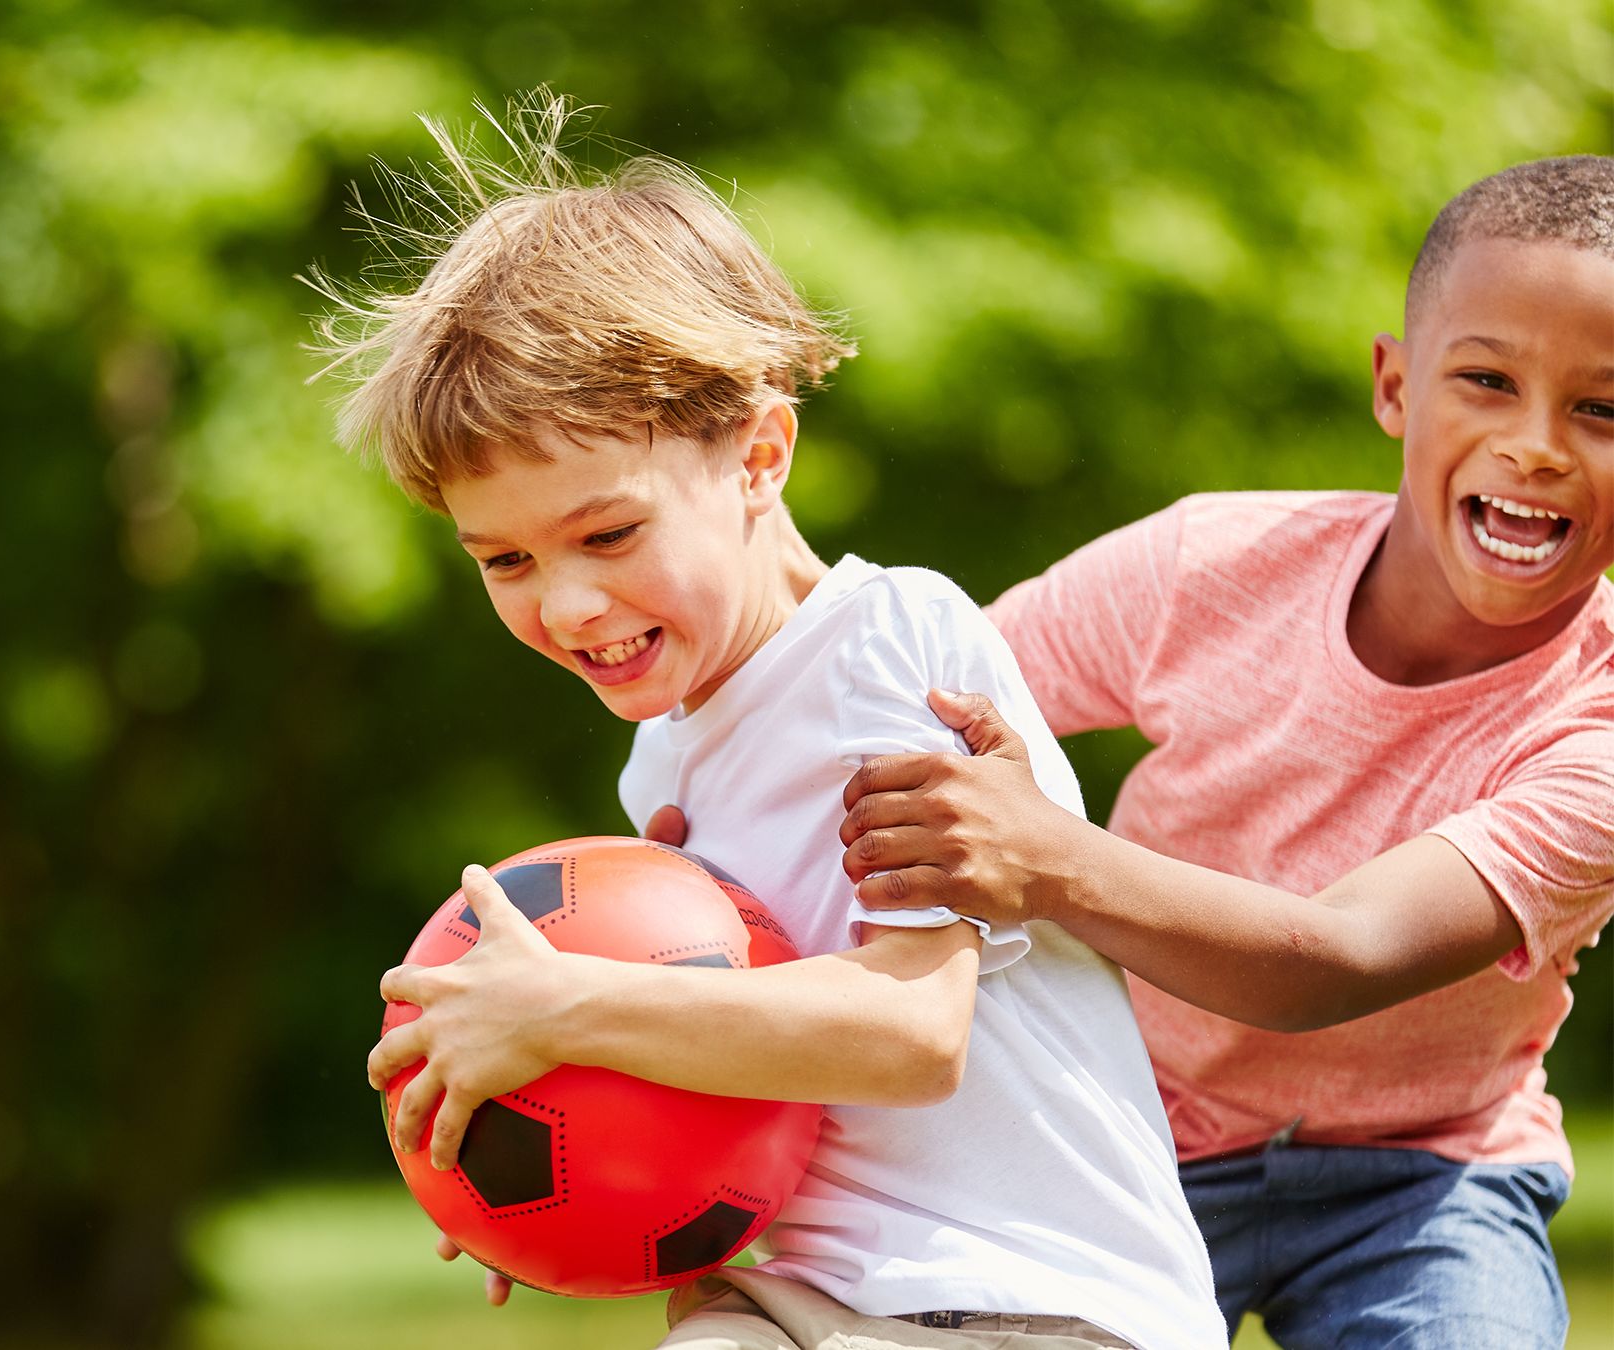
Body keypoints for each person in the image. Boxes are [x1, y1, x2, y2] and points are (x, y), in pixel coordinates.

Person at [326, 100, 1222, 1350]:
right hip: (794, 1290)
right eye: (506, 559)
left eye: (608, 534)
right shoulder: (665, 763)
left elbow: (914, 1032)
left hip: (1024, 1298)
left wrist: (562, 1010)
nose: (567, 602)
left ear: (759, 457)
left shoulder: (890, 646)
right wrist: (553, 1170)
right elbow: (729, 1063)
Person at [828, 156, 1614, 1348]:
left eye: (1602, 408)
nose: (1539, 446)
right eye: (1488, 381)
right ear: (1396, 388)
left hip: (1419, 1183)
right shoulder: (1211, 567)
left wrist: (1049, 858)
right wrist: (732, 843)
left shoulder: (1599, 727)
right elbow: (904, 708)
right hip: (1115, 1129)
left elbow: (1337, 958)